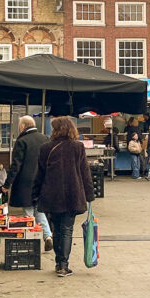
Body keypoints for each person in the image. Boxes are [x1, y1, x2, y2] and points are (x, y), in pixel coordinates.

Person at [31, 116, 95, 277]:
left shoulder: (46, 148)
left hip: (51, 194)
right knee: (66, 230)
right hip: (72, 195)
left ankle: (59, 262)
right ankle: (62, 265)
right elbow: (84, 172)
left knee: (56, 229)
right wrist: (89, 194)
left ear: (57, 130)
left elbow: (40, 174)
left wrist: (35, 194)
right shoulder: (78, 147)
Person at [3, 116, 53, 252]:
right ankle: (47, 236)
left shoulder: (22, 141)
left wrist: (7, 184)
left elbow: (16, 165)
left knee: (28, 213)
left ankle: (31, 240)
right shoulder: (45, 139)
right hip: (42, 181)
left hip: (26, 183)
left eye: (20, 126)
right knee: (39, 211)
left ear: (23, 126)